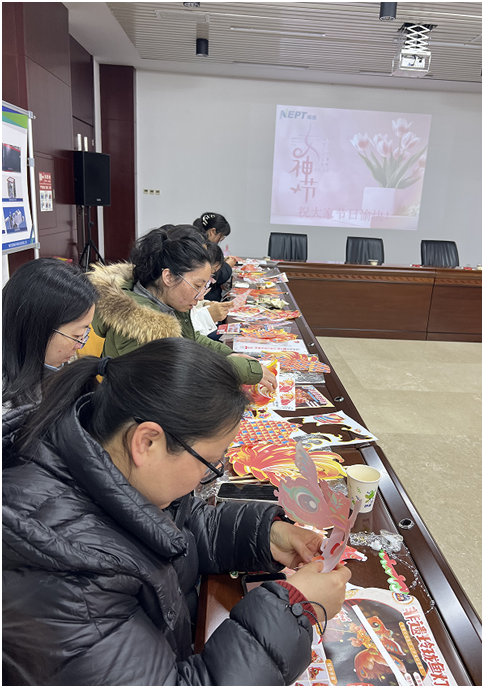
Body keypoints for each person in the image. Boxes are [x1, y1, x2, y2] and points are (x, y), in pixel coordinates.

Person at [2, 338, 351, 686]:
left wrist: (265, 536)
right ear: (147, 442)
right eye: (209, 463)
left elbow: (176, 525)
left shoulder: (101, 456)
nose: (207, 476)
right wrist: (294, 610)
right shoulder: (64, 580)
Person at [88, 225, 275, 389]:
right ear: (168, 277)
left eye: (205, 286)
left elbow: (191, 340)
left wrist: (231, 354)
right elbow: (181, 378)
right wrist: (238, 369)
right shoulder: (139, 325)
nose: (201, 296)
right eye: (197, 285)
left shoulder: (165, 304)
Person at [2, 257, 97, 411]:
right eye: (77, 336)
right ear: (37, 330)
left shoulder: (54, 364)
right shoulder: (9, 411)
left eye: (85, 333)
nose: (79, 346)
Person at [192, 213, 239, 301]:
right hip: (205, 299)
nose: (220, 240)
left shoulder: (201, 242)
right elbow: (215, 275)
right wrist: (227, 265)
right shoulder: (203, 247)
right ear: (213, 231)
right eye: (221, 237)